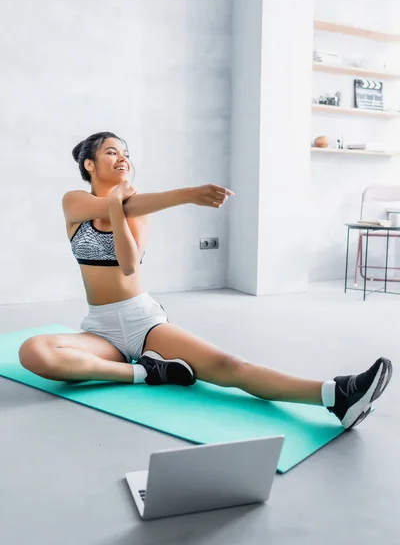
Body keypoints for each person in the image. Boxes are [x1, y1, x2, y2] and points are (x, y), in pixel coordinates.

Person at [19, 132, 392, 430]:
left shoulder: (138, 214)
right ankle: (146, 373)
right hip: (99, 328)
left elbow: (129, 266)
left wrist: (120, 205)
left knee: (230, 367)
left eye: (127, 153)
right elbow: (108, 206)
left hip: (142, 323)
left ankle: (336, 394)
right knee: (32, 352)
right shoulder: (73, 202)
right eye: (111, 153)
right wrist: (176, 196)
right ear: (89, 164)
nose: (123, 159)